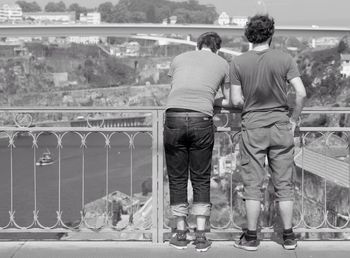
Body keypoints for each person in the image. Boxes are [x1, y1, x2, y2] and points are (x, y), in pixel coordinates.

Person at [226, 14, 306, 250]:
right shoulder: (285, 59)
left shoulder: (238, 62)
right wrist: (292, 119)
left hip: (252, 126)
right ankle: (289, 236)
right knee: (284, 184)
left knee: (253, 184)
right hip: (281, 125)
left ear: (249, 35)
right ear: (271, 34)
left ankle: (251, 238)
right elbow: (300, 93)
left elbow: (236, 99)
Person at [164, 31, 230, 252]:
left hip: (173, 117)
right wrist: (212, 100)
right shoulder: (222, 63)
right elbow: (228, 97)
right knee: (201, 179)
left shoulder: (179, 58)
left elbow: (175, 87)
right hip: (202, 118)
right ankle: (201, 237)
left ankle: (180, 234)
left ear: (198, 45)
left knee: (177, 178)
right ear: (217, 48)